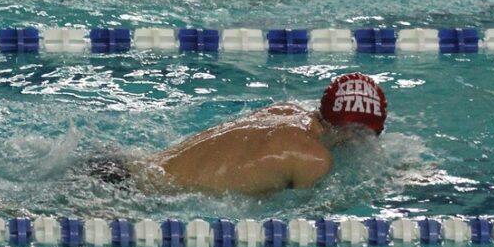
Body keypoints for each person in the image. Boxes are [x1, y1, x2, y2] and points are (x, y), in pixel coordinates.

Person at [87, 72, 388, 197]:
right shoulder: (314, 159)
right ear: (354, 131)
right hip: (130, 195)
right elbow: (301, 218)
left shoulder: (283, 110)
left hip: (121, 164)